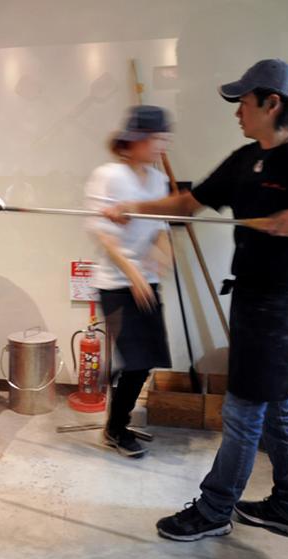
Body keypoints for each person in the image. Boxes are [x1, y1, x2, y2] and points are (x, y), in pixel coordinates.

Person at [103, 59, 288, 540]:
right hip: (251, 300)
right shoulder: (245, 160)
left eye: (243, 101)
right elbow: (188, 203)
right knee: (273, 406)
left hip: (285, 307)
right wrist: (132, 208)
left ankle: (213, 509)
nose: (237, 112)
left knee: (243, 410)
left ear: (273, 103)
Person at [85, 105, 174, 458]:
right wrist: (133, 272)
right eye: (157, 138)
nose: (162, 146)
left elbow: (162, 227)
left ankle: (117, 420)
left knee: (147, 358)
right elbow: (102, 232)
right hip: (115, 283)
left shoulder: (158, 180)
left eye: (165, 138)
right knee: (135, 358)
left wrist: (164, 257)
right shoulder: (108, 175)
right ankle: (115, 429)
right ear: (135, 139)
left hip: (146, 281)